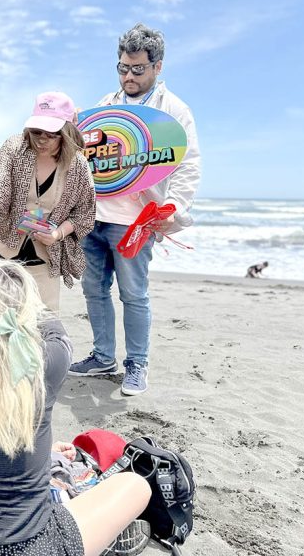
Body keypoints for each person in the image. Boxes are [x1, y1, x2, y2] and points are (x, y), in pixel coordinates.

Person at [0, 259, 151, 556]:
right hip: (26, 547)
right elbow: (52, 326)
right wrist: (23, 289)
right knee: (136, 486)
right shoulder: (43, 366)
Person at [70, 23, 201, 396]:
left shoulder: (174, 110)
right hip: (94, 215)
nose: (129, 76)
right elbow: (83, 156)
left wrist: (173, 206)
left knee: (134, 294)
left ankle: (137, 364)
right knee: (94, 290)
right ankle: (102, 356)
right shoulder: (106, 104)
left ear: (158, 67)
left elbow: (188, 163)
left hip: (135, 222)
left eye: (138, 69)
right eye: (123, 68)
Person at [0, 91, 95, 312]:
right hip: (2, 245)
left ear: (65, 132)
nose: (42, 140)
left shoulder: (78, 165)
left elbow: (84, 214)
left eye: (51, 134)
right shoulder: (15, 148)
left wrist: (57, 234)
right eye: (36, 132)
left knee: (42, 319)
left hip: (45, 253)